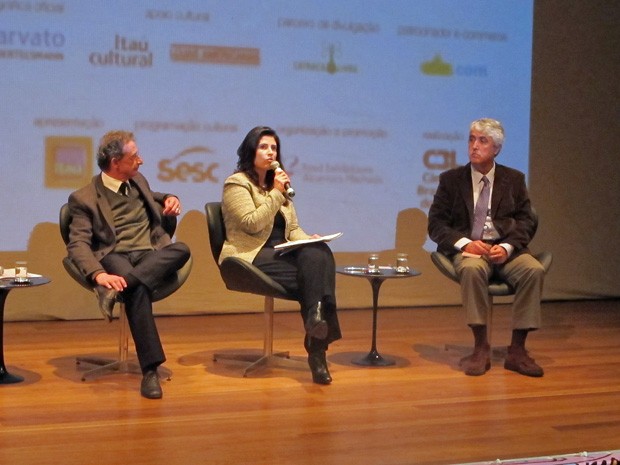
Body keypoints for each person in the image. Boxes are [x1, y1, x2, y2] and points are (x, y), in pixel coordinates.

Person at [66, 130, 191, 399]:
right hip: (115, 255)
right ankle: (150, 371)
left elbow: (156, 195)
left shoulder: (138, 181)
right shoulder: (84, 198)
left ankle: (118, 290)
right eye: (134, 156)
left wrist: (171, 198)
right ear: (115, 162)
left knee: (182, 249)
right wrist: (98, 275)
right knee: (138, 290)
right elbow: (77, 244)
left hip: (150, 253)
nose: (141, 161)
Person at [219, 126, 342, 385]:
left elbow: (293, 228)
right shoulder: (236, 184)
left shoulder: (280, 185)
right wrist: (276, 192)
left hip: (281, 250)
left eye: (274, 147)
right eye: (264, 147)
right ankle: (316, 349)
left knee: (319, 252)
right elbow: (251, 223)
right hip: (250, 254)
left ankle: (315, 318)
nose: (270, 152)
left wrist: (308, 239)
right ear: (251, 150)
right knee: (314, 280)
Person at [428, 118, 546, 377]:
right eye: (471, 139)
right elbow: (436, 224)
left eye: (483, 141)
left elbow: (526, 220)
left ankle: (517, 350)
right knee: (471, 270)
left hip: (505, 249)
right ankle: (480, 346)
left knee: (534, 270)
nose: (474, 146)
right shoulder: (451, 180)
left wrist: (506, 247)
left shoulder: (513, 179)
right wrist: (467, 243)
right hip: (471, 250)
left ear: (497, 149)